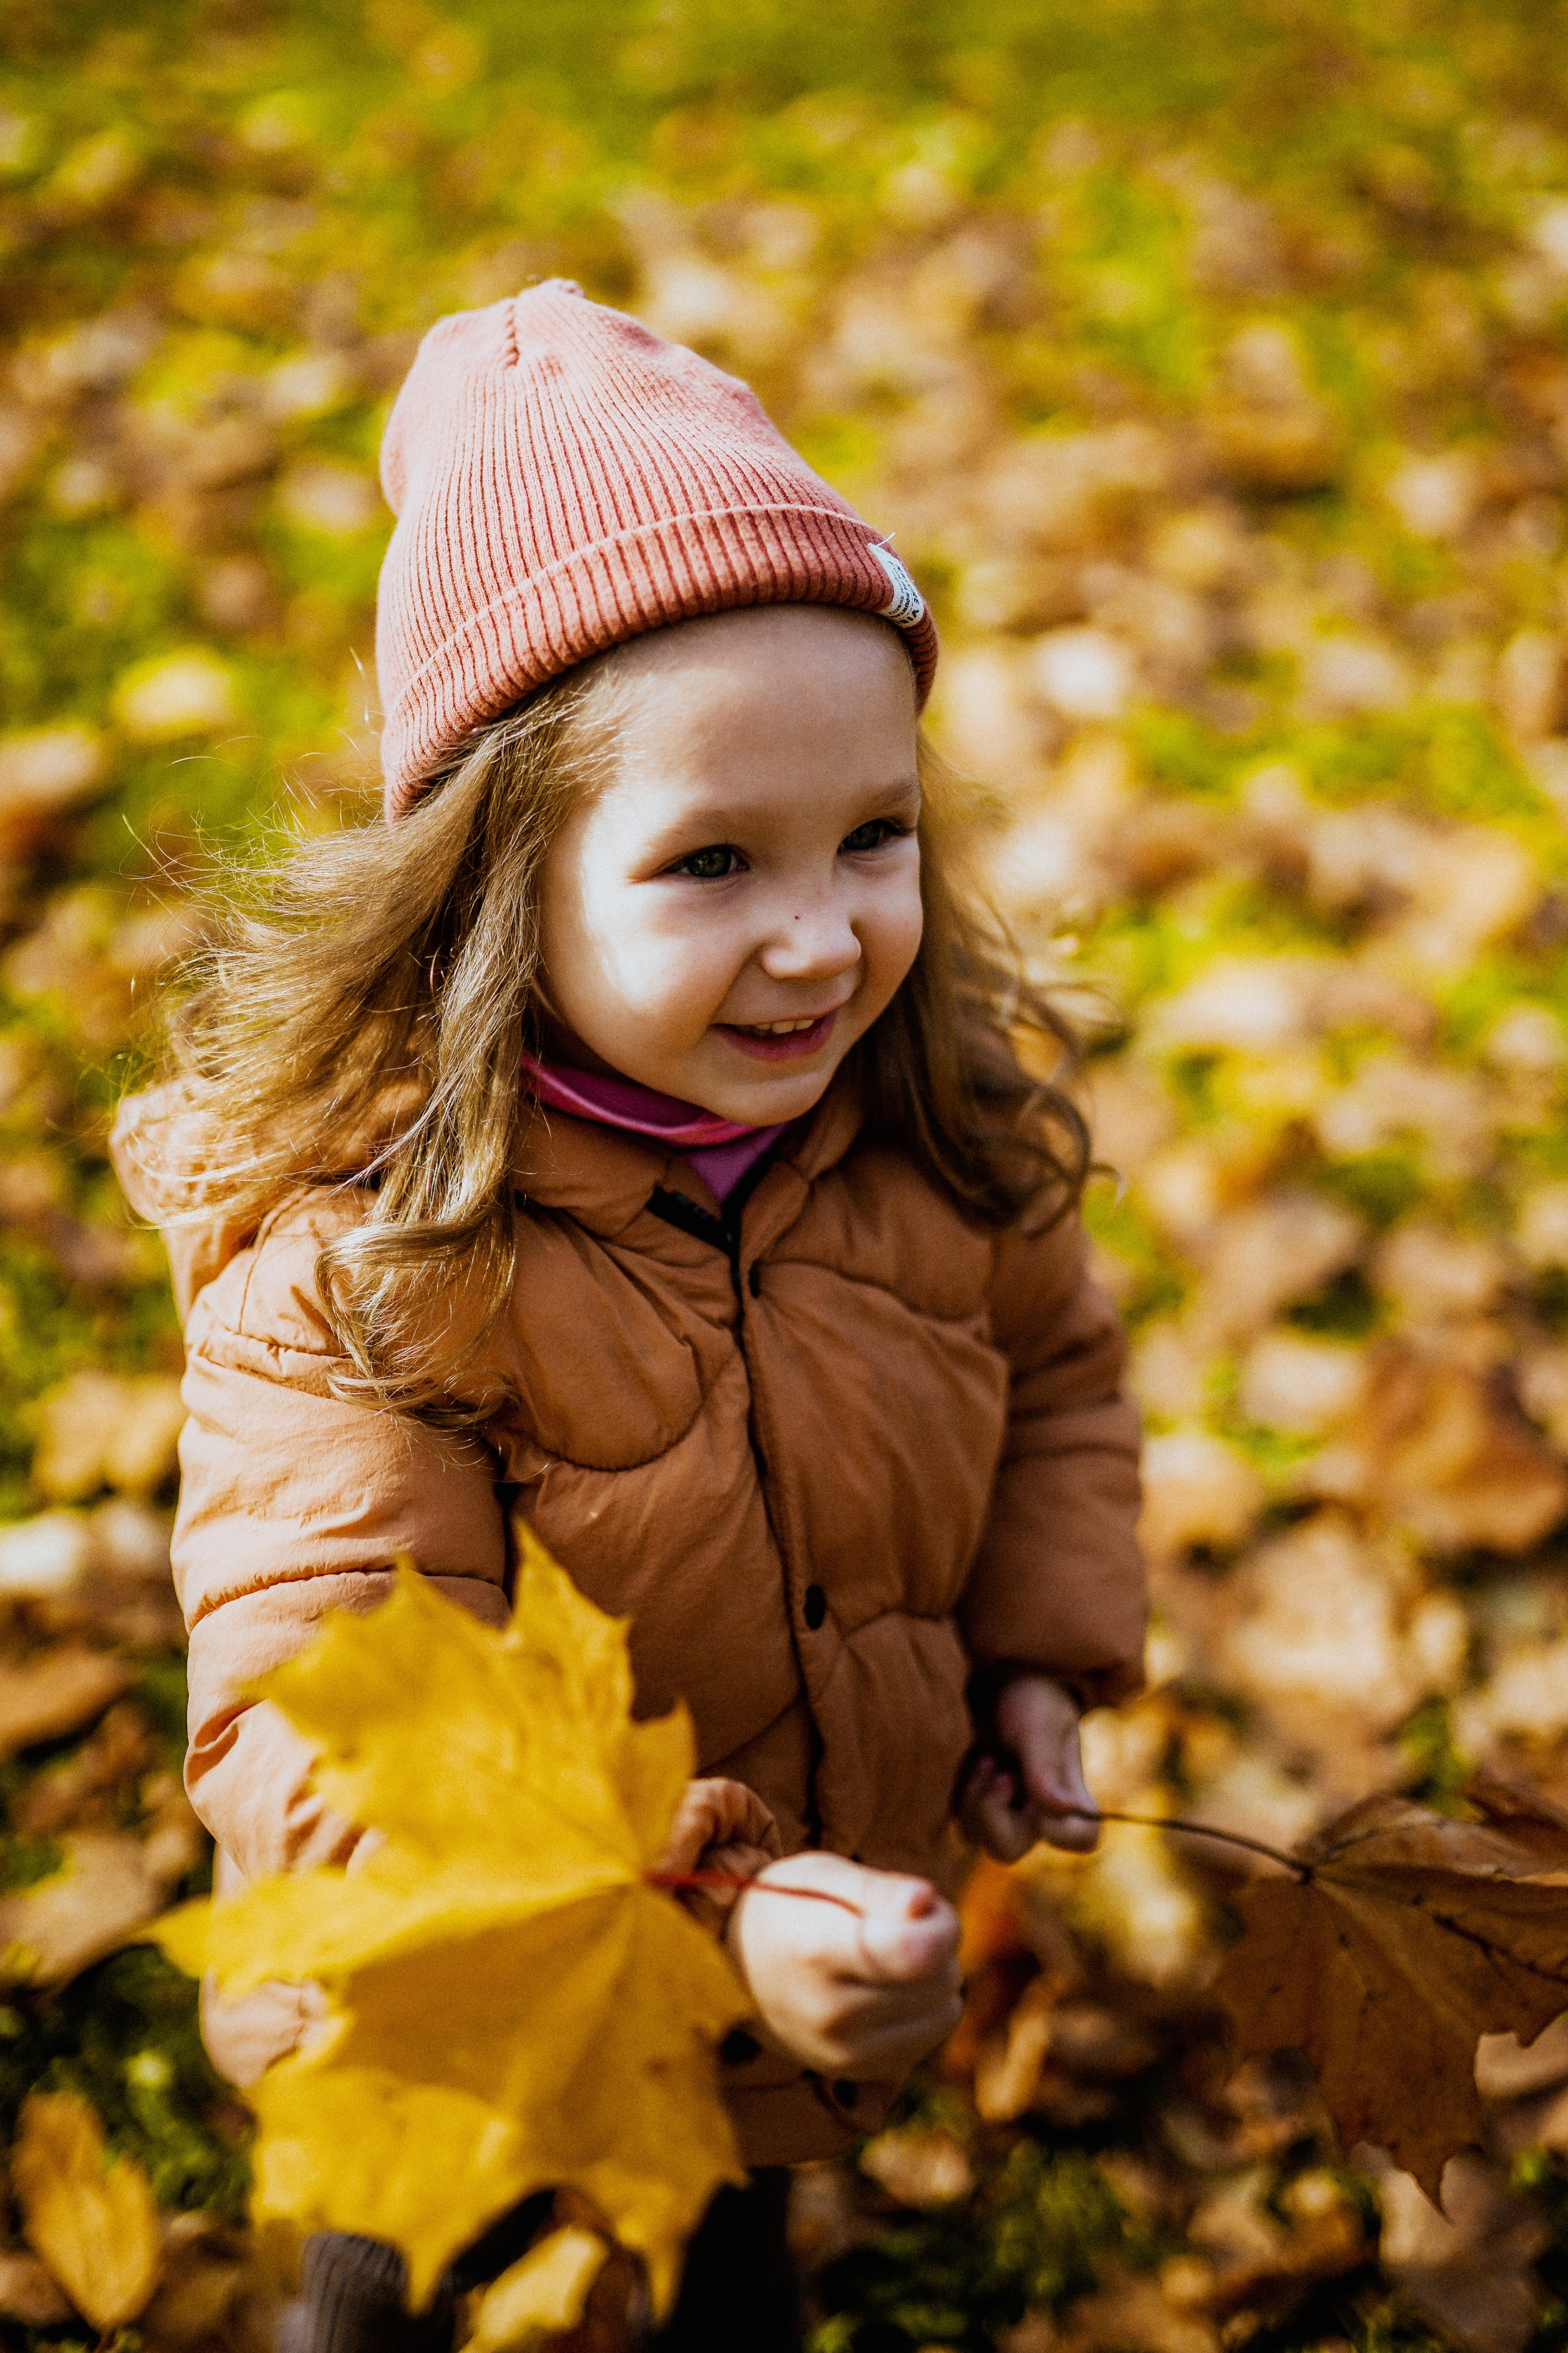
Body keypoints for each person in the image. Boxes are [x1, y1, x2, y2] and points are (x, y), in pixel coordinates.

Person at [112, 280, 1145, 2353]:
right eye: (708, 863)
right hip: (455, 1994)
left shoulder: (934, 1136)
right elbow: (330, 1715)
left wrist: (1038, 1662)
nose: (818, 935)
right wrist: (704, 1906)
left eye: (875, 835)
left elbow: (1055, 1382)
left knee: (718, 2275)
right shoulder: (362, 1262)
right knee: (404, 2287)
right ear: (499, 886)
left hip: (765, 2028)